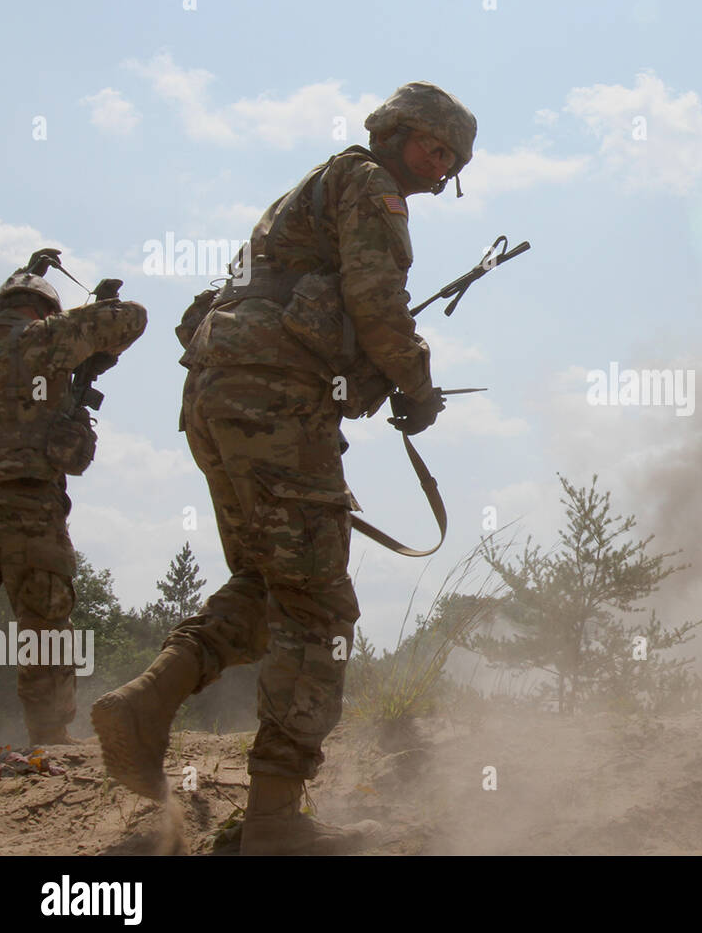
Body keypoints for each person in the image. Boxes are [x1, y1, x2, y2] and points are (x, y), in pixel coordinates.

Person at [92, 82, 477, 854]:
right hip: (275, 401)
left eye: (453, 159)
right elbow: (376, 304)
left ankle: (146, 700)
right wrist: (416, 383)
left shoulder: (310, 190)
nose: (439, 167)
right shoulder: (371, 186)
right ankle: (273, 820)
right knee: (323, 610)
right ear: (396, 132)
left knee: (272, 587)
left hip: (217, 390)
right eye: (433, 147)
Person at [0, 251, 147, 744]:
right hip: (25, 502)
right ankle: (49, 733)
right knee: (45, 619)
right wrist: (81, 329)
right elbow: (132, 317)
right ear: (43, 310)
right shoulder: (40, 339)